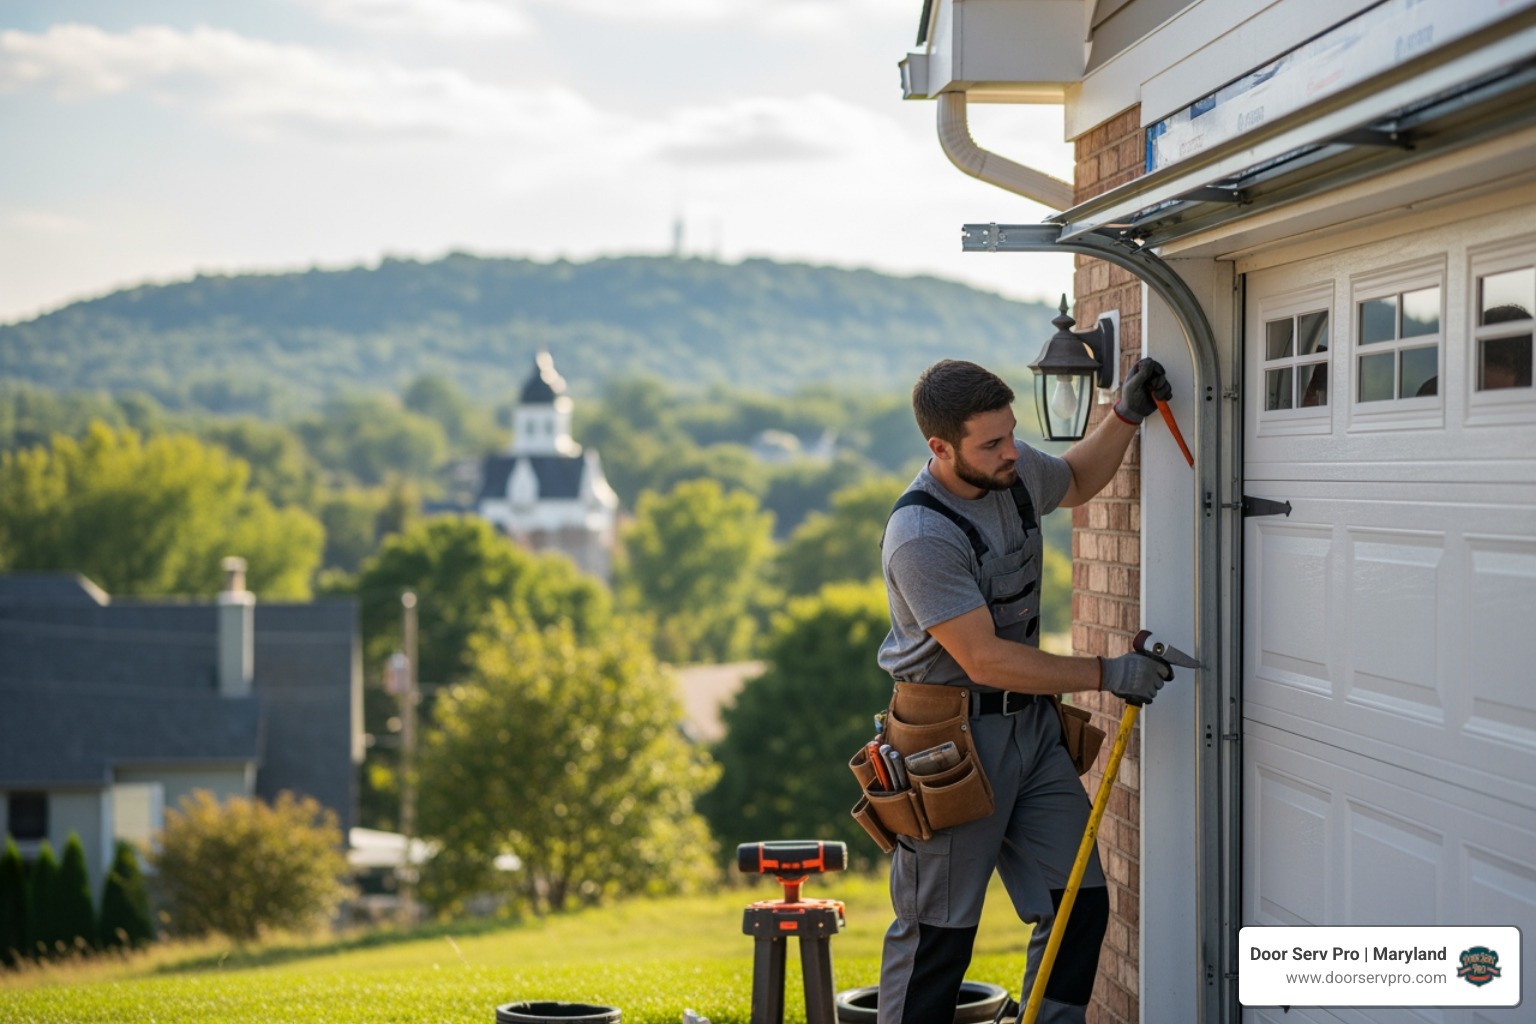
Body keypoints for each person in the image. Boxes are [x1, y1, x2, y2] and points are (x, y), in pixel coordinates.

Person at [876, 357, 1179, 1024]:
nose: (1011, 451)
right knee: (939, 939)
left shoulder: (1011, 477)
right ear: (941, 448)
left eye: (1010, 433)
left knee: (1078, 904)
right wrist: (1103, 674)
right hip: (947, 746)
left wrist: (1124, 414)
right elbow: (983, 659)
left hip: (1031, 734)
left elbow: (1073, 479)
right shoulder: (921, 534)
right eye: (990, 443)